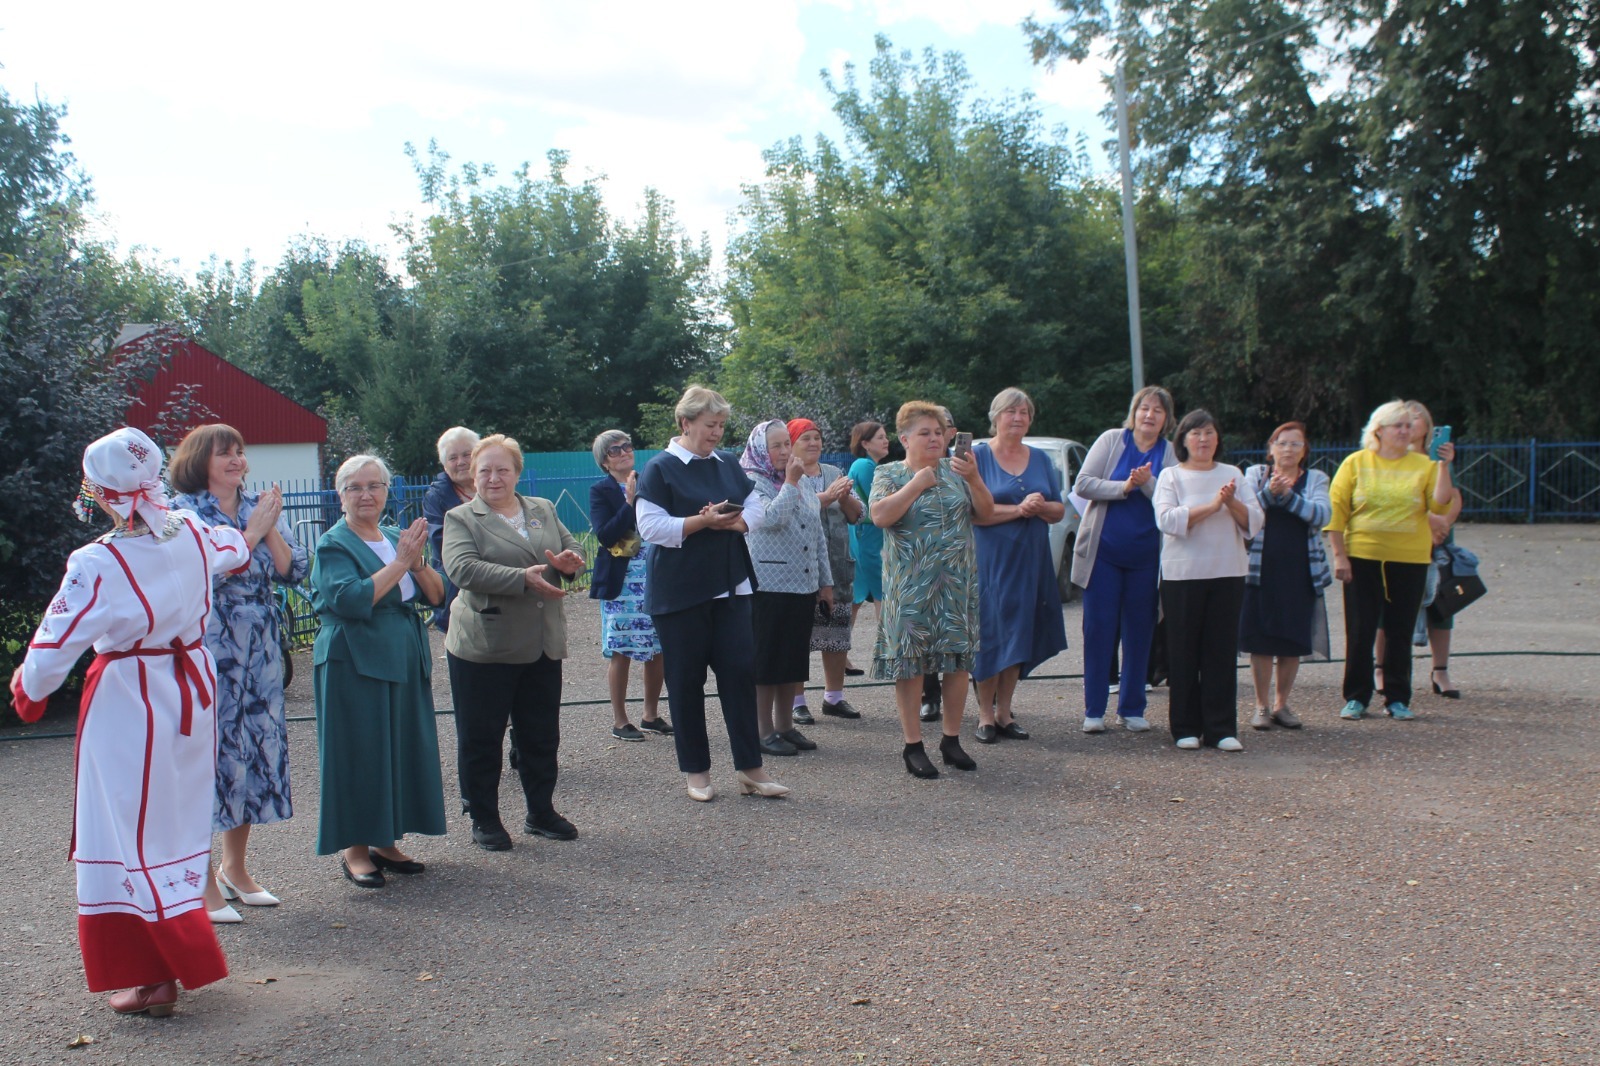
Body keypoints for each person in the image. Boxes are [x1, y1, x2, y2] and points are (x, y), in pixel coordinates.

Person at [10, 427, 252, 1017]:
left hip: (128, 700)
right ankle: (171, 961)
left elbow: (52, 646)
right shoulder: (191, 530)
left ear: (96, 491)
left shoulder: (97, 561)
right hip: (191, 695)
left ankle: (151, 975)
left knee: (121, 831)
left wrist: (29, 692)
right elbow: (235, 549)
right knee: (172, 825)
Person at [169, 424, 308, 922]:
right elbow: (191, 575)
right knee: (210, 754)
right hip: (210, 642)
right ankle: (200, 879)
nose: (236, 460)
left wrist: (267, 526)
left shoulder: (258, 506)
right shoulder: (182, 514)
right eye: (224, 453)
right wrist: (250, 535)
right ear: (198, 461)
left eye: (240, 452)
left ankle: (235, 868)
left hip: (261, 646)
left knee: (252, 749)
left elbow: (294, 570)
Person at [636, 386, 790, 801]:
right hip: (679, 591)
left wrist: (739, 524)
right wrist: (700, 522)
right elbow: (650, 527)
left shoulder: (727, 462)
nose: (717, 433)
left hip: (731, 585)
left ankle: (751, 769)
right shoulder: (659, 468)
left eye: (721, 425)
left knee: (739, 675)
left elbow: (755, 504)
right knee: (686, 681)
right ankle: (697, 773)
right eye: (710, 425)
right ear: (685, 423)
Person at [444, 434, 586, 851]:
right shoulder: (461, 518)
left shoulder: (542, 508)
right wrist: (522, 578)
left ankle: (540, 811)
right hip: (486, 645)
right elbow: (462, 569)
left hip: (542, 641)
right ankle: (484, 818)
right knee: (482, 737)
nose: (494, 478)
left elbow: (573, 547)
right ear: (473, 475)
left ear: (517, 473)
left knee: (540, 734)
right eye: (485, 470)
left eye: (502, 469)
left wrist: (570, 563)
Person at [311, 455, 446, 886]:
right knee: (360, 751)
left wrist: (416, 562)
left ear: (387, 491)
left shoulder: (393, 536)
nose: (366, 494)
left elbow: (437, 595)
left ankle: (385, 841)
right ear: (340, 495)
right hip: (354, 659)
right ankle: (355, 850)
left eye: (374, 486)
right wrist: (402, 563)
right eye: (355, 487)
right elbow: (350, 599)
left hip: (400, 653)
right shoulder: (334, 544)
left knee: (398, 748)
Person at [870, 400, 995, 778]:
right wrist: (916, 484)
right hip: (910, 587)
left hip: (956, 586)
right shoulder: (890, 472)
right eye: (925, 433)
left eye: (939, 432)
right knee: (910, 666)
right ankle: (913, 746)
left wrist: (975, 479)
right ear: (904, 438)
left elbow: (987, 513)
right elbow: (879, 516)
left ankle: (951, 740)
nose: (934, 439)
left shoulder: (958, 471)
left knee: (956, 663)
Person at [1326, 400, 1455, 720]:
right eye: (1398, 425)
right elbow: (1337, 510)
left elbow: (1439, 505)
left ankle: (1397, 698)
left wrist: (1443, 467)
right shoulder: (1356, 462)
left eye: (1408, 426)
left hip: (1409, 558)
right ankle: (1356, 697)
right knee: (1360, 629)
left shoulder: (1423, 465)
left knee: (1401, 629)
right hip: (1363, 555)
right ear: (1378, 430)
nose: (1404, 431)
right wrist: (1339, 555)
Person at [1153, 410, 1264, 751]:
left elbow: (1255, 520)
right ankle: (1185, 726)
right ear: (1183, 440)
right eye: (1196, 433)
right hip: (1183, 574)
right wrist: (1213, 505)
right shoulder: (1171, 475)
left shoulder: (1233, 474)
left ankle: (1221, 728)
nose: (1203, 439)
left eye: (1209, 433)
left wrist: (1230, 502)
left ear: (1218, 439)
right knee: (1183, 650)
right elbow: (1166, 519)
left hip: (1228, 571)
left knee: (1221, 650)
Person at [1071, 386, 1178, 733]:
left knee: (1140, 631)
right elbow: (1083, 484)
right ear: (1134, 412)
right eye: (1144, 408)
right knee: (1098, 629)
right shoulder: (1112, 440)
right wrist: (1123, 487)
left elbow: (1175, 498)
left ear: (1166, 419)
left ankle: (1132, 708)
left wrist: (1146, 484)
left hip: (1147, 557)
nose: (1150, 415)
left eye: (1158, 411)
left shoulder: (1170, 452)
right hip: (1103, 553)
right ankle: (1094, 710)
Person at [970, 388, 1068, 742]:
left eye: (1024, 412)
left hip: (1031, 558)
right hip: (991, 559)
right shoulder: (978, 456)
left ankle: (1004, 712)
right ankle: (984, 714)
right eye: (1011, 411)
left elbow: (1059, 510)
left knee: (1019, 630)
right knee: (990, 630)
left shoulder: (1040, 458)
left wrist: (1040, 507)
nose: (1017, 417)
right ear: (995, 417)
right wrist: (1018, 510)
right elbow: (973, 513)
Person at [740, 419, 832, 756]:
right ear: (761, 449)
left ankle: (785, 726)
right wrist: (791, 483)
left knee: (791, 661)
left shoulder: (799, 479)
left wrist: (825, 581)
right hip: (768, 586)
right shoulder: (751, 482)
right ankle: (762, 731)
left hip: (802, 584)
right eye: (776, 445)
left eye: (786, 444)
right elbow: (769, 520)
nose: (783, 451)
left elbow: (817, 532)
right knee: (767, 663)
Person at [1238, 422, 1331, 730]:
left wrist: (1289, 496)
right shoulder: (1255, 474)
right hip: (1260, 570)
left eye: (1295, 444)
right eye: (1282, 443)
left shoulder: (1316, 478)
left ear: (1304, 451)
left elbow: (1322, 515)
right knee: (1261, 640)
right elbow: (1245, 512)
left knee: (1293, 640)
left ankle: (1281, 705)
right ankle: (1261, 706)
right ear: (1271, 448)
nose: (1288, 449)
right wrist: (1269, 493)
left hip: (1300, 570)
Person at [1374, 401, 1466, 698]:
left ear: (1427, 424)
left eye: (1414, 419)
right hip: (1402, 538)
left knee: (1442, 605)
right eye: (1401, 421)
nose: (1408, 425)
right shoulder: (1389, 458)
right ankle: (1381, 667)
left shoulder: (1437, 459)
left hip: (1437, 542)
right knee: (1388, 606)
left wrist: (1442, 527)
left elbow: (1454, 497)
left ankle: (1440, 670)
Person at [588, 430, 670, 741]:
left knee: (658, 649)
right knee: (621, 649)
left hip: (656, 576)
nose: (623, 452)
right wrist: (628, 502)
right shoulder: (601, 491)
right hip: (622, 583)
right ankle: (620, 720)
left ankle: (650, 715)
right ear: (604, 461)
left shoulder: (650, 482)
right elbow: (605, 535)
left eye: (627, 446)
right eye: (614, 450)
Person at [790, 417, 864, 723]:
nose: (814, 443)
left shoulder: (834, 473)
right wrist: (829, 496)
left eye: (817, 437)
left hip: (836, 566)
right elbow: (793, 512)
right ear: (791, 444)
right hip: (799, 571)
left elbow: (858, 515)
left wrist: (843, 497)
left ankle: (834, 698)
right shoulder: (787, 475)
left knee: (836, 635)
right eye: (806, 438)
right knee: (797, 637)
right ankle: (796, 701)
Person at [422, 426, 479, 632]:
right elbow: (442, 541)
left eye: (467, 454)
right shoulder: (436, 497)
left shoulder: (493, 486)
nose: (461, 462)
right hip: (457, 587)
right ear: (445, 465)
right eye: (453, 458)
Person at [847, 421, 890, 649]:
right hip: (866, 537)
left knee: (857, 597)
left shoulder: (866, 465)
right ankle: (888, 647)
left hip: (866, 536)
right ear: (865, 443)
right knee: (882, 592)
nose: (886, 441)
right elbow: (879, 503)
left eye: (885, 436)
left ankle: (841, 653)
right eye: (880, 437)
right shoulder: (865, 465)